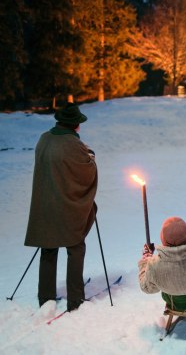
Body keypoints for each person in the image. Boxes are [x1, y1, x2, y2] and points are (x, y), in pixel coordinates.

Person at [25, 103, 98, 311]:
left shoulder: (44, 138)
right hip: (67, 206)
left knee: (48, 249)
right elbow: (86, 171)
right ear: (76, 124)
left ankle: (45, 297)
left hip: (44, 206)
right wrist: (91, 157)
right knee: (75, 247)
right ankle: (75, 299)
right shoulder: (73, 144)